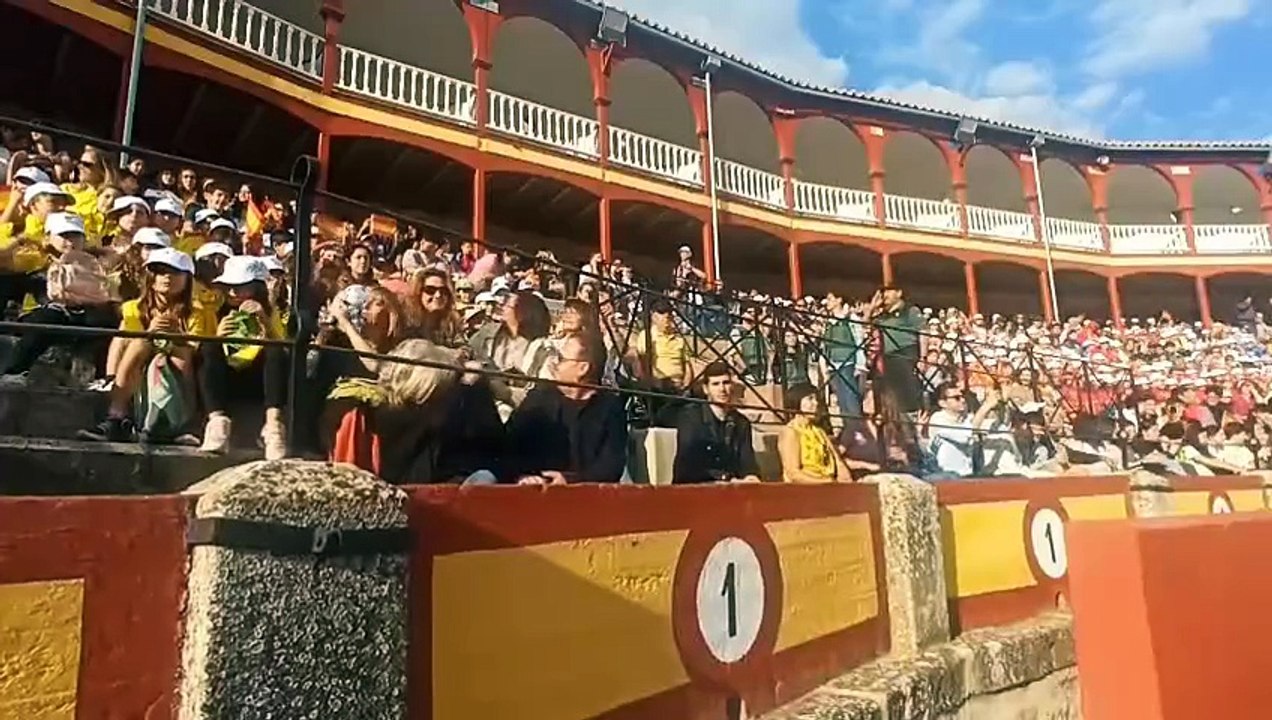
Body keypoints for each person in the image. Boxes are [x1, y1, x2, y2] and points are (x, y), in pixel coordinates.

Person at [78, 247, 201, 442]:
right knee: (140, 343)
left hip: (181, 365)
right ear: (151, 278)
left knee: (173, 353)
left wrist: (176, 336)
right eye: (160, 272)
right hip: (139, 367)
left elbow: (198, 349)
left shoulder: (199, 312)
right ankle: (116, 416)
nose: (166, 277)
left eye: (175, 272)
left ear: (188, 279)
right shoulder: (132, 308)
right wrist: (151, 333)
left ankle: (185, 423)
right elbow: (127, 342)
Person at [0, 212, 114, 385]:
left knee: (106, 321)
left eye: (76, 235)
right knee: (48, 318)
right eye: (63, 235)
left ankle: (97, 377)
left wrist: (99, 250)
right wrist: (20, 240)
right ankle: (16, 372)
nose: (70, 241)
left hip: (83, 312)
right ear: (48, 237)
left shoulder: (93, 264)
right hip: (41, 311)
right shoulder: (33, 260)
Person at [197, 255, 289, 459]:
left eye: (240, 287)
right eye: (229, 287)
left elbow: (284, 351)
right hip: (227, 377)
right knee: (208, 347)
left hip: (261, 380)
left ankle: (273, 426)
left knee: (274, 350)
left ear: (257, 288)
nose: (233, 293)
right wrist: (219, 336)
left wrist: (264, 321)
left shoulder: (272, 311)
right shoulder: (215, 310)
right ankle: (217, 423)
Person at [505, 332, 628, 484]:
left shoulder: (609, 406)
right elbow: (508, 445)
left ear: (583, 368)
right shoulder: (540, 396)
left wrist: (570, 480)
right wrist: (522, 475)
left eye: (561, 358)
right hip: (532, 492)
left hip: (585, 498)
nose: (554, 363)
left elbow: (611, 465)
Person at [672, 361, 761, 484]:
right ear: (706, 389)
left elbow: (747, 460)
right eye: (715, 384)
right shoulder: (690, 417)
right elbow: (689, 463)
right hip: (694, 488)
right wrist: (725, 478)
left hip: (731, 490)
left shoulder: (741, 422)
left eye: (726, 383)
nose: (722, 389)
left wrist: (751, 476)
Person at [924, 383, 1005, 479]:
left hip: (968, 476)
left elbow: (995, 427)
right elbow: (964, 435)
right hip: (944, 477)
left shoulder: (967, 418)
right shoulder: (937, 419)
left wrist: (1000, 403)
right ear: (943, 403)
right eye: (957, 398)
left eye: (963, 396)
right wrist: (986, 406)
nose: (963, 400)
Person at [778, 384, 853, 483]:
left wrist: (846, 479)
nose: (816, 403)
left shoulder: (819, 431)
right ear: (796, 402)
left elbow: (837, 461)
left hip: (829, 483)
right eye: (810, 399)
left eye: (816, 399)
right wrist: (826, 482)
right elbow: (793, 473)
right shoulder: (791, 432)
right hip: (805, 489)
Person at [870, 285, 925, 414]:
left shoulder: (910, 310)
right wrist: (872, 307)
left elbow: (923, 331)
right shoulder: (883, 315)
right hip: (888, 354)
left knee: (907, 385)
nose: (885, 295)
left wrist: (923, 357)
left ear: (899, 293)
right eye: (883, 292)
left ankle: (912, 413)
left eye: (889, 291)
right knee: (893, 389)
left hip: (906, 350)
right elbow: (866, 323)